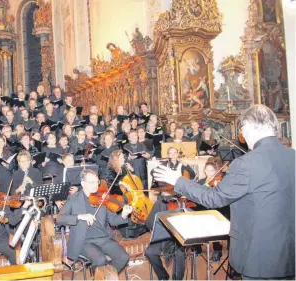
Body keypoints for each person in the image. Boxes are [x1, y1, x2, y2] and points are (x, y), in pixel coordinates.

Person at [153, 104, 295, 279]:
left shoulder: (246, 163)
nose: (242, 137)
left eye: (242, 131)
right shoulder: (292, 156)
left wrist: (177, 181)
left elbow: (214, 198)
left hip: (260, 257)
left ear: (250, 127)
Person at [56, 169, 132, 273]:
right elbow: (60, 219)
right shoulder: (74, 199)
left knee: (123, 257)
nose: (95, 185)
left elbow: (113, 221)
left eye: (97, 181)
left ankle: (105, 277)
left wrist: (124, 214)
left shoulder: (103, 198)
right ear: (83, 184)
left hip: (104, 239)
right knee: (100, 260)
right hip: (84, 241)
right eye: (92, 182)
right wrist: (80, 216)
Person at [145, 191, 185, 280]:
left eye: (167, 190)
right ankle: (163, 276)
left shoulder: (181, 202)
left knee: (179, 253)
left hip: (177, 239)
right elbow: (148, 224)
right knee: (150, 252)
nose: (164, 192)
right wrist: (155, 221)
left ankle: (177, 279)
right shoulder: (159, 204)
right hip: (161, 238)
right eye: (163, 190)